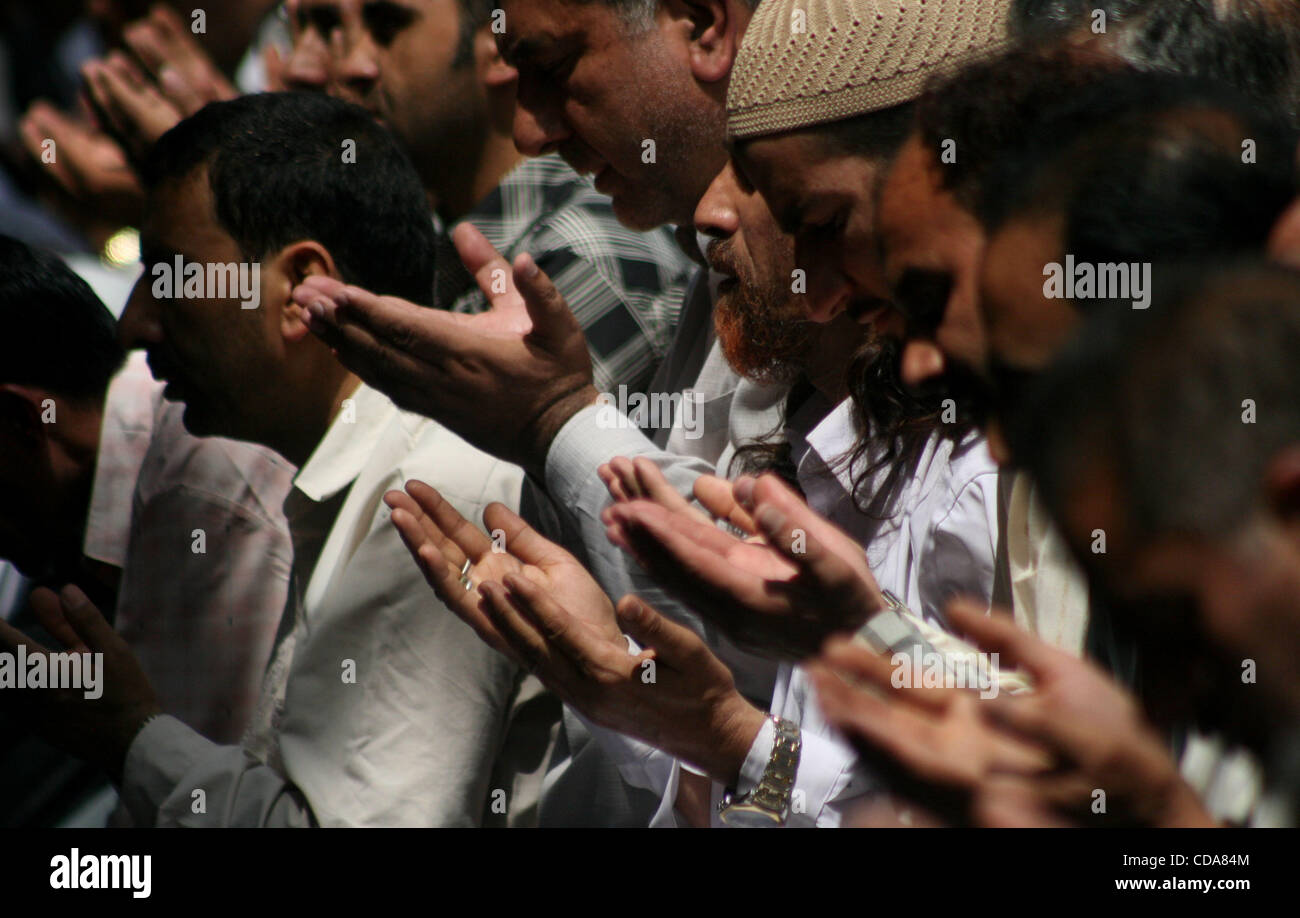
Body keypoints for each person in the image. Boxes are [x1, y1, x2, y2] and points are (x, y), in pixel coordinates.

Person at [1, 91, 547, 827]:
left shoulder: (428, 491)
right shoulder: (358, 480)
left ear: (298, 289)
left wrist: (130, 734)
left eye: (171, 277)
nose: (135, 322)